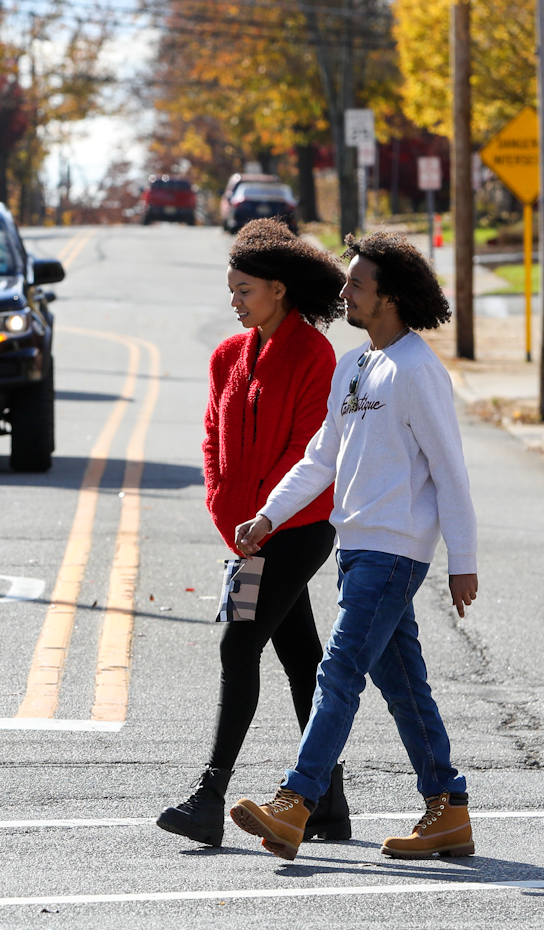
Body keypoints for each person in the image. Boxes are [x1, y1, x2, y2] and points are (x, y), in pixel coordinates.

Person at [226, 231, 481, 863]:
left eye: (357, 285)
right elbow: (321, 458)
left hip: (395, 549)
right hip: (357, 546)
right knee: (403, 684)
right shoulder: (357, 365)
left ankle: (296, 801)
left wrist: (463, 561)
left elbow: (450, 471)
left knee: (338, 670)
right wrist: (267, 516)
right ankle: (448, 808)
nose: (345, 293)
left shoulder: (418, 370)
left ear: (388, 297)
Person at [156, 219, 351, 848]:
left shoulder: (314, 355)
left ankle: (210, 796)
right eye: (232, 291)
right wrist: (225, 508)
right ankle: (328, 803)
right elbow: (212, 439)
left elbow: (306, 452)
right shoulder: (227, 356)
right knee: (301, 660)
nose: (235, 301)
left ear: (278, 289)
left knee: (238, 647)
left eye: (244, 290)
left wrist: (265, 516)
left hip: (298, 528)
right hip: (245, 535)